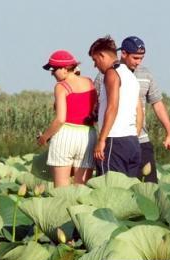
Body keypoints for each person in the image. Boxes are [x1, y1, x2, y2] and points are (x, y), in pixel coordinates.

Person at [117, 36, 170, 183]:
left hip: (141, 141)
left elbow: (157, 104)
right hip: (117, 141)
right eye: (135, 58)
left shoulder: (146, 74)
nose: (138, 62)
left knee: (149, 188)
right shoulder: (107, 74)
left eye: (141, 58)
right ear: (123, 53)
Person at [37, 49, 97, 187]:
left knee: (61, 190)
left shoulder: (61, 87)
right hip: (88, 135)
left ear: (64, 69)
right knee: (81, 189)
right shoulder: (89, 82)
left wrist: (44, 138)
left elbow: (60, 119)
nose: (52, 73)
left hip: (65, 135)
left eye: (53, 69)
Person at [88, 35, 143, 177]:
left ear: (102, 55)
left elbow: (112, 107)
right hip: (132, 141)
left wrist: (101, 140)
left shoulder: (112, 73)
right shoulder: (131, 76)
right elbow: (139, 111)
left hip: (114, 140)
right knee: (129, 192)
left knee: (109, 190)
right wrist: (133, 136)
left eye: (95, 60)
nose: (95, 65)